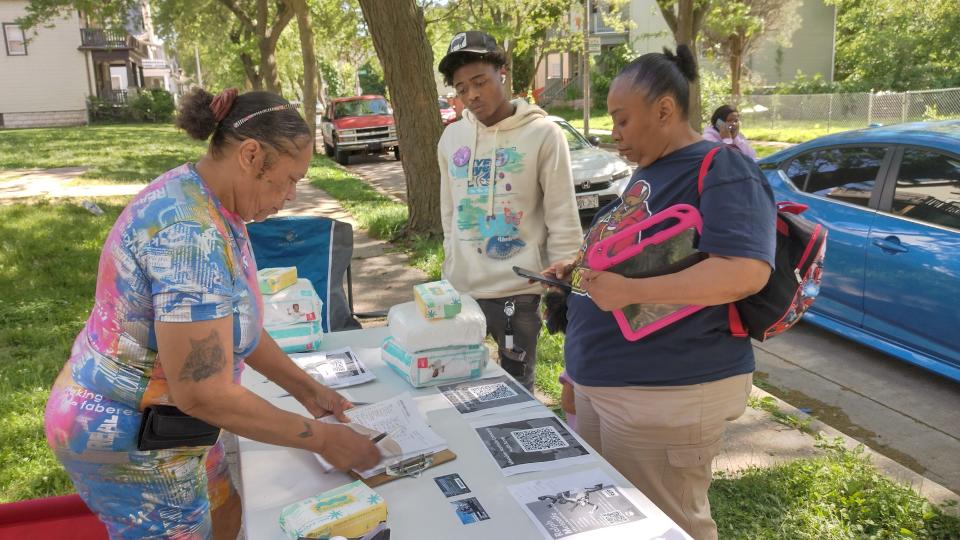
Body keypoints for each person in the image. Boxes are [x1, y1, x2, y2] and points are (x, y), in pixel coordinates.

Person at [44, 88, 381, 539]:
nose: (292, 195)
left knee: (226, 509)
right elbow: (203, 393)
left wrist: (308, 390)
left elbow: (232, 325)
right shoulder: (189, 236)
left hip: (170, 423)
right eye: (288, 179)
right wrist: (322, 439)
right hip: (130, 434)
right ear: (250, 155)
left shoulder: (215, 201)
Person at [545, 46, 776, 539]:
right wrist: (578, 271)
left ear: (665, 110)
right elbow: (643, 254)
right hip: (605, 383)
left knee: (668, 527)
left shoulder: (724, 168)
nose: (615, 135)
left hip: (668, 390)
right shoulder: (650, 173)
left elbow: (744, 271)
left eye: (622, 120)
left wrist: (629, 289)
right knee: (613, 523)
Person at [436, 31, 582, 390]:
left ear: (503, 72)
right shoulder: (451, 139)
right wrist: (451, 262)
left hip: (519, 292)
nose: (471, 94)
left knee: (517, 393)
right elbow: (449, 212)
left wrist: (563, 284)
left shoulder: (544, 134)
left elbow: (561, 213)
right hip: (461, 291)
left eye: (480, 81)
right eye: (461, 87)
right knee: (457, 389)